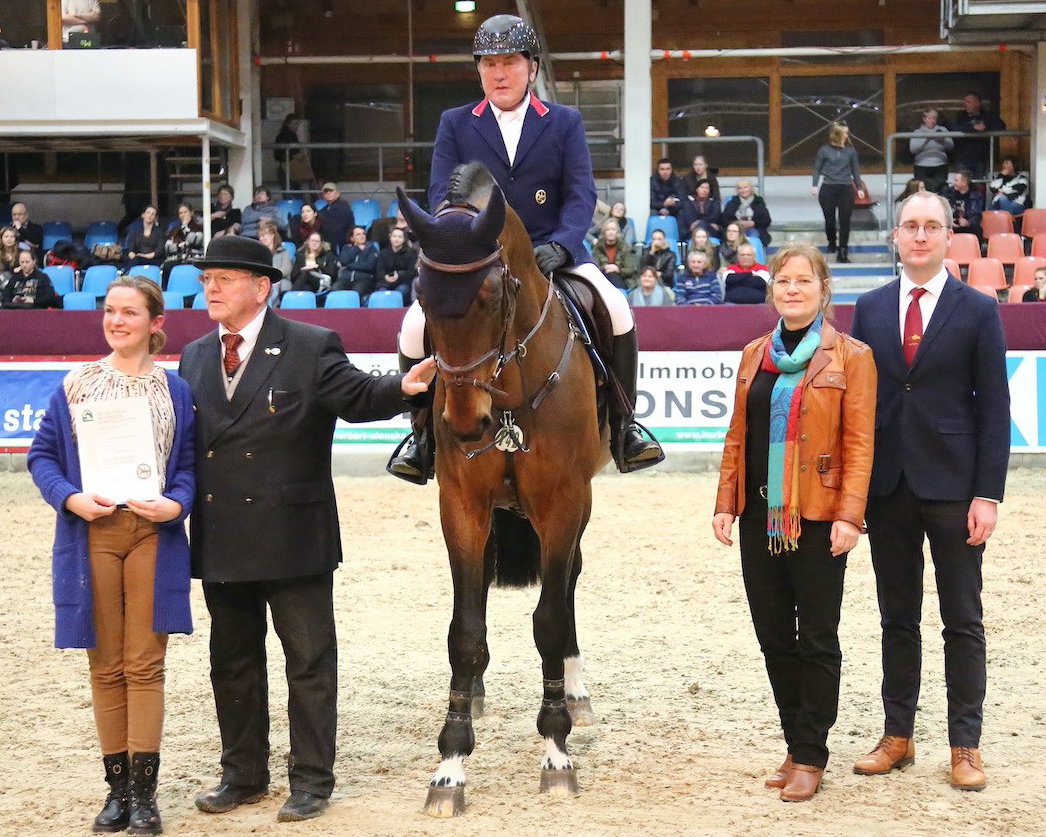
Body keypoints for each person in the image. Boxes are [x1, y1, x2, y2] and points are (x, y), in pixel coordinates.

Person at [178, 235, 435, 823]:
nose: (211, 288)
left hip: (295, 534)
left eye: (224, 278)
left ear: (261, 287)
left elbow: (357, 395)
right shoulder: (194, 356)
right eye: (207, 279)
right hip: (224, 533)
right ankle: (242, 774)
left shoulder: (309, 344)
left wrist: (402, 387)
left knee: (310, 663)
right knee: (232, 661)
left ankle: (312, 782)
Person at [391, 13, 663, 482]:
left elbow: (581, 193)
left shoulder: (563, 122)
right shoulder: (456, 123)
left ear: (531, 68)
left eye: (510, 62)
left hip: (549, 253)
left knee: (617, 308)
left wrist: (562, 243)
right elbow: (441, 193)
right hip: (480, 257)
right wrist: (463, 240)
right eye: (489, 63)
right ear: (479, 70)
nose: (499, 72)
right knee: (414, 325)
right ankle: (421, 437)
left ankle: (624, 425)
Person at [849, 192, 1010, 792]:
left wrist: (987, 494)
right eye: (910, 226)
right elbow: (859, 409)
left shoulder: (977, 310)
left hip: (955, 486)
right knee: (898, 619)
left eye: (931, 226)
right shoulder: (867, 308)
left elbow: (996, 407)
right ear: (895, 236)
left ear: (949, 237)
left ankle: (965, 745)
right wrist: (854, 494)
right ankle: (898, 736)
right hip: (887, 487)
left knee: (962, 620)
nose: (920, 235)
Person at [28, 275, 195, 835]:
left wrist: (177, 505)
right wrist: (70, 497)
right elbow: (43, 457)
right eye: (109, 311)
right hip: (92, 533)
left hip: (152, 533)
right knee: (105, 665)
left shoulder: (175, 390)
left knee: (145, 664)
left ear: (155, 323)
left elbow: (190, 465)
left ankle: (146, 797)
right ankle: (117, 791)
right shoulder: (76, 385)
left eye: (129, 312)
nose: (116, 320)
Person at [713, 243, 876, 802]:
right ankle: (793, 743)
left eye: (803, 281)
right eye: (783, 281)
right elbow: (738, 434)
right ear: (772, 290)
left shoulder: (852, 356)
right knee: (774, 637)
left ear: (823, 289)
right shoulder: (753, 353)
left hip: (818, 515)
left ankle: (811, 753)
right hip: (759, 516)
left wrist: (850, 515)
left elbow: (860, 444)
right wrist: (724, 502)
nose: (792, 289)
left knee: (818, 639)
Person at [812, 123, 863, 263]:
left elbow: (855, 170)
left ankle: (843, 251)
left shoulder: (851, 151)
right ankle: (832, 242)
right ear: (838, 134)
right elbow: (817, 168)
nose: (847, 135)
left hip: (846, 187)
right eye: (845, 133)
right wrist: (814, 185)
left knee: (845, 221)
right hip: (828, 187)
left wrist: (859, 188)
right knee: (830, 220)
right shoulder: (824, 150)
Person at [953, 93, 1006, 181]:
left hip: (981, 158)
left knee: (979, 184)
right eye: (965, 102)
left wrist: (986, 127)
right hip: (963, 157)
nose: (965, 104)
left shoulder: (988, 115)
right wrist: (973, 128)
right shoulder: (961, 115)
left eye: (968, 102)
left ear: (977, 103)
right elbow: (954, 128)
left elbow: (1001, 126)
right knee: (962, 183)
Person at [909, 109, 954, 195]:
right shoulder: (917, 132)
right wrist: (926, 138)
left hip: (940, 165)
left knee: (941, 190)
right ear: (924, 119)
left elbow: (950, 146)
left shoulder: (943, 130)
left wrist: (942, 140)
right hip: (921, 166)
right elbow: (913, 149)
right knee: (922, 191)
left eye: (934, 118)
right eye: (930, 118)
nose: (932, 121)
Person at [162, 203, 204, 283]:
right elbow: (168, 247)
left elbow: (193, 241)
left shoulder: (199, 227)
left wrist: (184, 228)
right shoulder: (174, 229)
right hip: (177, 258)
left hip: (193, 258)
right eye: (181, 213)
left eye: (185, 212)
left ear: (191, 213)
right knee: (166, 267)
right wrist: (182, 245)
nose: (183, 215)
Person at [722, 179, 772, 247]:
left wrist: (753, 223)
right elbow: (724, 220)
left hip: (755, 229)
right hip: (735, 230)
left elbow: (767, 221)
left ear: (750, 188)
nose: (743, 190)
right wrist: (737, 223)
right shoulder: (732, 203)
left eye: (745, 187)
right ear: (737, 190)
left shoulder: (758, 202)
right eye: (740, 188)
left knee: (752, 234)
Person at [591, 218, 638, 289]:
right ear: (604, 232)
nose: (611, 232)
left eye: (613, 229)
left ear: (617, 232)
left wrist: (617, 269)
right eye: (608, 230)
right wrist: (605, 267)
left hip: (623, 279)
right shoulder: (598, 247)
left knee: (613, 275)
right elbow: (594, 267)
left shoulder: (625, 247)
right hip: (603, 276)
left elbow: (630, 269)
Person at [290, 231, 338, 298]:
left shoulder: (328, 255)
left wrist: (318, 266)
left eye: (317, 241)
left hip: (321, 281)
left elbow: (332, 274)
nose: (314, 243)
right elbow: (293, 276)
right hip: (305, 283)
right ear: (308, 242)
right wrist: (302, 269)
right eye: (312, 241)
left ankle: (291, 296)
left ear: (321, 243)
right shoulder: (300, 255)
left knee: (306, 273)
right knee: (306, 288)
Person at [334, 225, 378, 297]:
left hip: (363, 279)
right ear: (352, 238)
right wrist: (358, 249)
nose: (362, 236)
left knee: (355, 294)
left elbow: (370, 266)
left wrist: (349, 266)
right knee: (334, 291)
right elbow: (344, 261)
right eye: (358, 234)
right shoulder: (346, 248)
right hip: (345, 279)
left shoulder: (371, 248)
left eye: (363, 234)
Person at [374, 227, 416, 301]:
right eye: (394, 236)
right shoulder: (384, 252)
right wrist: (385, 277)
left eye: (400, 237)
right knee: (381, 292)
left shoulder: (411, 253)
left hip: (403, 282)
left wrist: (399, 276)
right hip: (385, 281)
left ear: (403, 240)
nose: (396, 239)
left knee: (401, 291)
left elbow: (412, 271)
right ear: (390, 237)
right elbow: (379, 269)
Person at [274, 114, 314, 191]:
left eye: (297, 124)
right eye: (294, 124)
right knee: (293, 193)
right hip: (287, 168)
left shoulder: (291, 135)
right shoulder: (284, 136)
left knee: (295, 192)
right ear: (288, 124)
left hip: (292, 168)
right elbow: (278, 155)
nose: (296, 126)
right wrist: (294, 156)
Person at [258, 219, 293, 305]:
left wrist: (273, 276)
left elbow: (287, 269)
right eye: (260, 236)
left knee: (274, 285)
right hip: (264, 281)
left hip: (281, 280)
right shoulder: (259, 253)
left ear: (272, 235)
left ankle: (271, 309)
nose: (261, 239)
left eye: (263, 235)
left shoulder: (282, 251)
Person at [942, 170, 984, 241]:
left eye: (956, 180)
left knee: (977, 229)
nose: (953, 183)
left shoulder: (976, 195)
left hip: (969, 226)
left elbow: (977, 215)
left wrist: (968, 222)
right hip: (952, 225)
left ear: (964, 182)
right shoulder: (948, 193)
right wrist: (949, 222)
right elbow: (943, 210)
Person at [316, 183, 355, 250]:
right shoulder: (323, 210)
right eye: (326, 192)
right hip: (328, 242)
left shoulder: (344, 206)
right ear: (323, 195)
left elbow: (339, 227)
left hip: (341, 243)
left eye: (331, 191)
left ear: (337, 193)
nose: (328, 193)